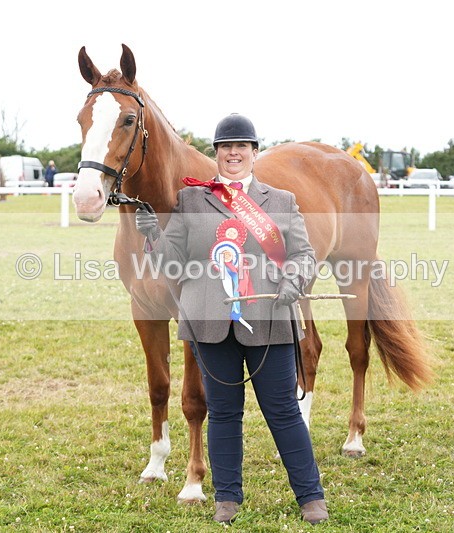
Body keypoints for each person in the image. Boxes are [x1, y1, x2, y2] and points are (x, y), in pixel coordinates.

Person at [134, 114, 328, 525]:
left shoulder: (281, 201)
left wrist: (295, 280)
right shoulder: (192, 201)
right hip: (209, 322)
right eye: (225, 147)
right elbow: (174, 263)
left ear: (255, 153)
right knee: (223, 413)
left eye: (242, 146)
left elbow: (303, 255)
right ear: (216, 154)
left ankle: (310, 496)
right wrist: (153, 236)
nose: (233, 152)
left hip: (270, 317)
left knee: (283, 412)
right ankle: (227, 496)